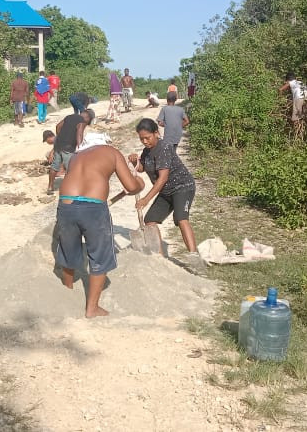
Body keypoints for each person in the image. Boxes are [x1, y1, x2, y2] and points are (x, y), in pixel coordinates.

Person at [54, 137, 145, 318]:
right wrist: (139, 184)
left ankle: (67, 290)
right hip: (93, 208)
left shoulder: (76, 156)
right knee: (100, 255)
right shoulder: (112, 152)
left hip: (65, 205)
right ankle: (92, 309)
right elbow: (131, 186)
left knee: (68, 249)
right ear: (105, 142)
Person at [128, 118, 204, 270]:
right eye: (141, 138)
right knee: (150, 221)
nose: (144, 141)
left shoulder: (164, 147)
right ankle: (160, 259)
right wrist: (136, 161)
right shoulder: (147, 151)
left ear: (156, 133)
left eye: (147, 138)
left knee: (181, 219)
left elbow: (162, 178)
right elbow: (143, 168)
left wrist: (146, 199)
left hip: (182, 186)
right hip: (166, 192)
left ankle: (194, 256)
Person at [47, 109, 95, 194]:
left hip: (58, 145)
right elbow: (79, 134)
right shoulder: (82, 121)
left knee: (54, 167)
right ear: (88, 118)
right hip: (68, 148)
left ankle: (50, 187)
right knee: (71, 169)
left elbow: (58, 126)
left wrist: (61, 137)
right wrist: (80, 148)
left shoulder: (70, 116)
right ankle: (69, 189)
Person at [278, 72, 307, 141]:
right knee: (305, 116)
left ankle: (297, 134)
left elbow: (280, 89)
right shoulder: (300, 82)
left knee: (295, 118)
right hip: (306, 98)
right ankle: (306, 131)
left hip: (298, 99)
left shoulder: (291, 82)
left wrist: (280, 99)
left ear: (288, 80)